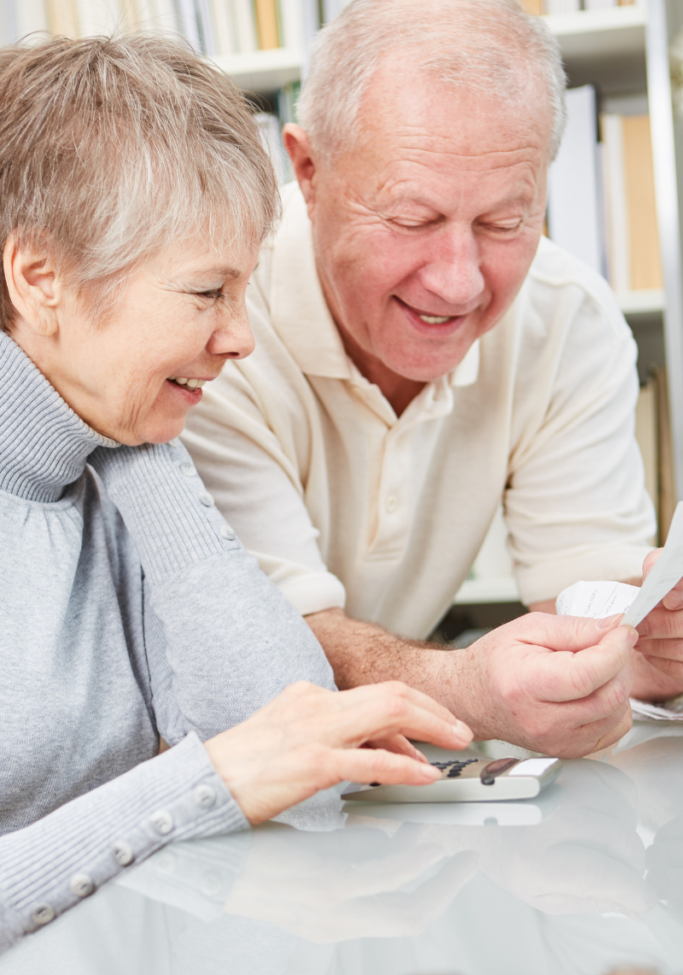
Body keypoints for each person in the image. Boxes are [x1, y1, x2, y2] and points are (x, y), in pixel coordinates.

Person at [0, 34, 480, 954]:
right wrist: (202, 784)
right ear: (40, 275)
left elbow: (296, 766)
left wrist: (141, 424)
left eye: (245, 290)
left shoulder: (110, 455)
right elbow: (238, 772)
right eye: (207, 292)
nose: (241, 337)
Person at [183, 0, 683, 756]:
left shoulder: (567, 318)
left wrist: (637, 649)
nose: (457, 284)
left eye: (503, 222)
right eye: (412, 219)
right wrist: (464, 690)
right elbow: (263, 648)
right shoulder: (211, 324)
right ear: (307, 171)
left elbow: (588, 599)